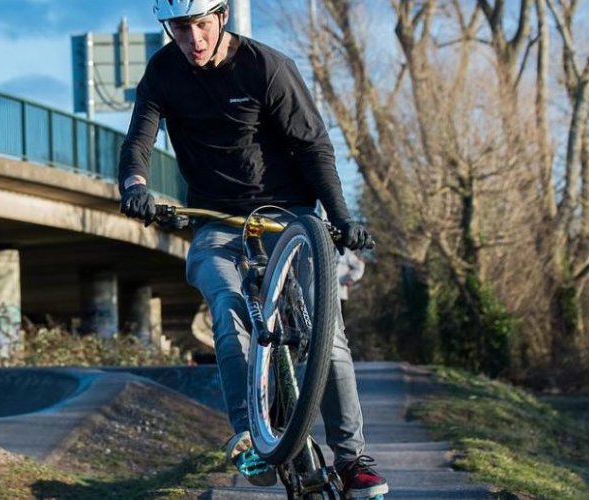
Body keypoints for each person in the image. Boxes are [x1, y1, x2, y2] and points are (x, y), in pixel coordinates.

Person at [117, 1, 388, 498]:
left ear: (221, 17)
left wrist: (342, 218)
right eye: (181, 28)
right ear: (168, 28)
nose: (193, 38)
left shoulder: (268, 67)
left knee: (326, 333)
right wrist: (134, 185)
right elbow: (138, 140)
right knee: (228, 308)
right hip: (216, 223)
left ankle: (353, 459)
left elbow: (314, 147)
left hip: (290, 218)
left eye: (201, 24)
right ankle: (248, 434)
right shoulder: (163, 72)